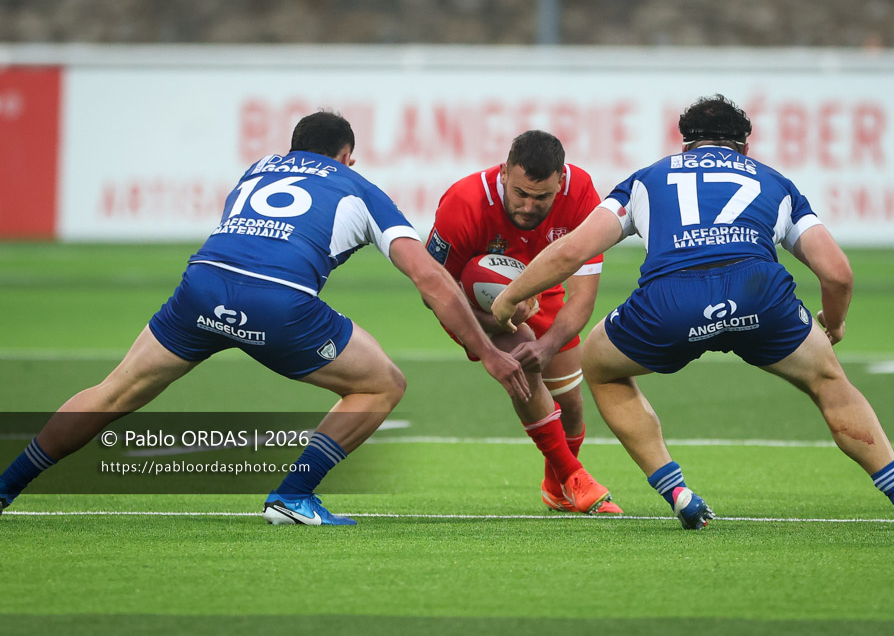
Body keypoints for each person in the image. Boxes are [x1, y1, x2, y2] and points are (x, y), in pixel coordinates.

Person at [0, 111, 530, 526]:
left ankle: (7, 487)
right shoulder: (360, 188)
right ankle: (294, 495)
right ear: (348, 156)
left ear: (294, 147)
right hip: (279, 304)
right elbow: (430, 277)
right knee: (382, 385)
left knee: (113, 392)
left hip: (201, 286)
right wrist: (488, 352)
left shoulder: (255, 170)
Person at [492, 95, 894, 531]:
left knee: (599, 365)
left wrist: (510, 296)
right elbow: (837, 273)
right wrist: (832, 323)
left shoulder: (647, 179)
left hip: (670, 304)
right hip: (759, 298)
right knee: (829, 381)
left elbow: (573, 250)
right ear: (745, 146)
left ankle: (676, 490)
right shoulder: (774, 182)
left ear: (685, 142)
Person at [426, 130, 620, 514]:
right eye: (520, 194)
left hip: (542, 290)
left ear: (560, 181)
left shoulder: (581, 192)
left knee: (571, 404)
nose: (529, 207)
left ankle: (555, 487)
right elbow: (435, 290)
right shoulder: (463, 202)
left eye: (541, 197)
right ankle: (574, 476)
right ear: (503, 174)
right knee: (520, 353)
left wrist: (548, 347)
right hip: (471, 303)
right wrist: (490, 321)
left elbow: (583, 296)